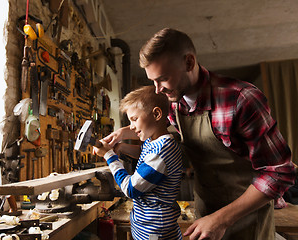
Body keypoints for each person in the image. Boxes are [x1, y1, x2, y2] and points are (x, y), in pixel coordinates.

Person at [103, 28, 296, 240]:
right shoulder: (175, 105)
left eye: (163, 79)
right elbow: (160, 140)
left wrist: (221, 219)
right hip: (205, 217)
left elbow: (279, 173)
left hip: (246, 222)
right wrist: (124, 134)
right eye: (153, 81)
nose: (157, 90)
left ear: (189, 63)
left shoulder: (241, 99)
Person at [93, 85, 183, 240]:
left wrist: (110, 157)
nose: (132, 127)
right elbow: (144, 155)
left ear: (156, 114)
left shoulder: (161, 151)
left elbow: (131, 189)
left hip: (155, 230)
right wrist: (121, 148)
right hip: (147, 225)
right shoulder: (155, 141)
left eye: (134, 119)